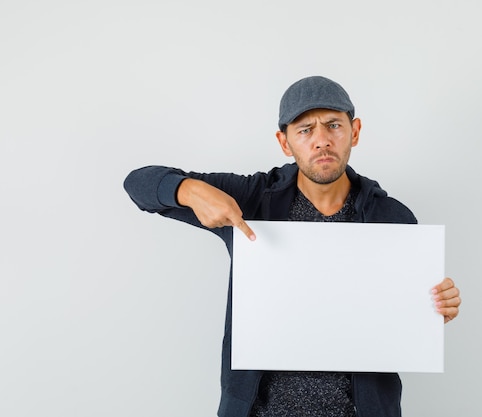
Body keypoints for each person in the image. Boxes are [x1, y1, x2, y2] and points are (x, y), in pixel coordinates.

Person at [124, 75, 461, 417]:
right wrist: (191, 191)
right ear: (284, 142)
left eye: (333, 126)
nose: (321, 141)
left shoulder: (392, 218)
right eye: (305, 130)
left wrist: (431, 311)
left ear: (354, 132)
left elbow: (401, 323)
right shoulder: (253, 200)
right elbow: (138, 183)